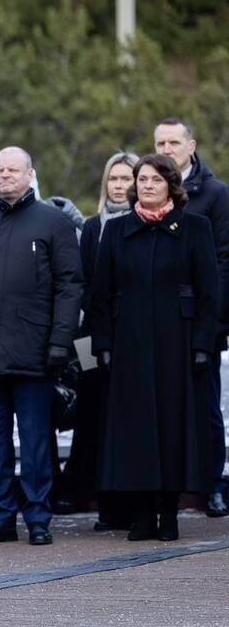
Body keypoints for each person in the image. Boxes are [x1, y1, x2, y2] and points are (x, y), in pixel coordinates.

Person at [0, 146, 82, 548]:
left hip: (36, 353)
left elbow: (70, 286)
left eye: (13, 169)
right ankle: (0, 518)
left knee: (37, 441)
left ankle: (39, 517)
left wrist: (61, 341)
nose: (5, 175)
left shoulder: (53, 222)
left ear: (30, 173)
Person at [90, 154, 218, 541]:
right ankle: (141, 513)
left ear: (171, 185)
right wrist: (104, 344)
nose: (147, 185)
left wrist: (202, 344)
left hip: (177, 344)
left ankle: (169, 510)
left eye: (156, 179)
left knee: (173, 427)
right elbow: (100, 294)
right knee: (134, 429)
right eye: (142, 179)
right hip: (129, 344)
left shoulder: (195, 227)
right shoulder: (117, 230)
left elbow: (210, 293)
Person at [57, 152, 138, 530]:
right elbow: (84, 283)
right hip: (91, 337)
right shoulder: (92, 227)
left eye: (126, 178)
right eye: (113, 179)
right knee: (92, 412)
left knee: (126, 415)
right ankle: (86, 491)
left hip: (134, 336)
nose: (119, 185)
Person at [154, 118, 229, 518]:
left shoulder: (215, 195)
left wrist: (214, 322)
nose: (167, 148)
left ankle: (212, 485)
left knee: (206, 408)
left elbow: (223, 262)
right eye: (160, 142)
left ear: (191, 145)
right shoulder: (145, 192)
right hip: (158, 324)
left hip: (202, 320)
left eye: (174, 142)